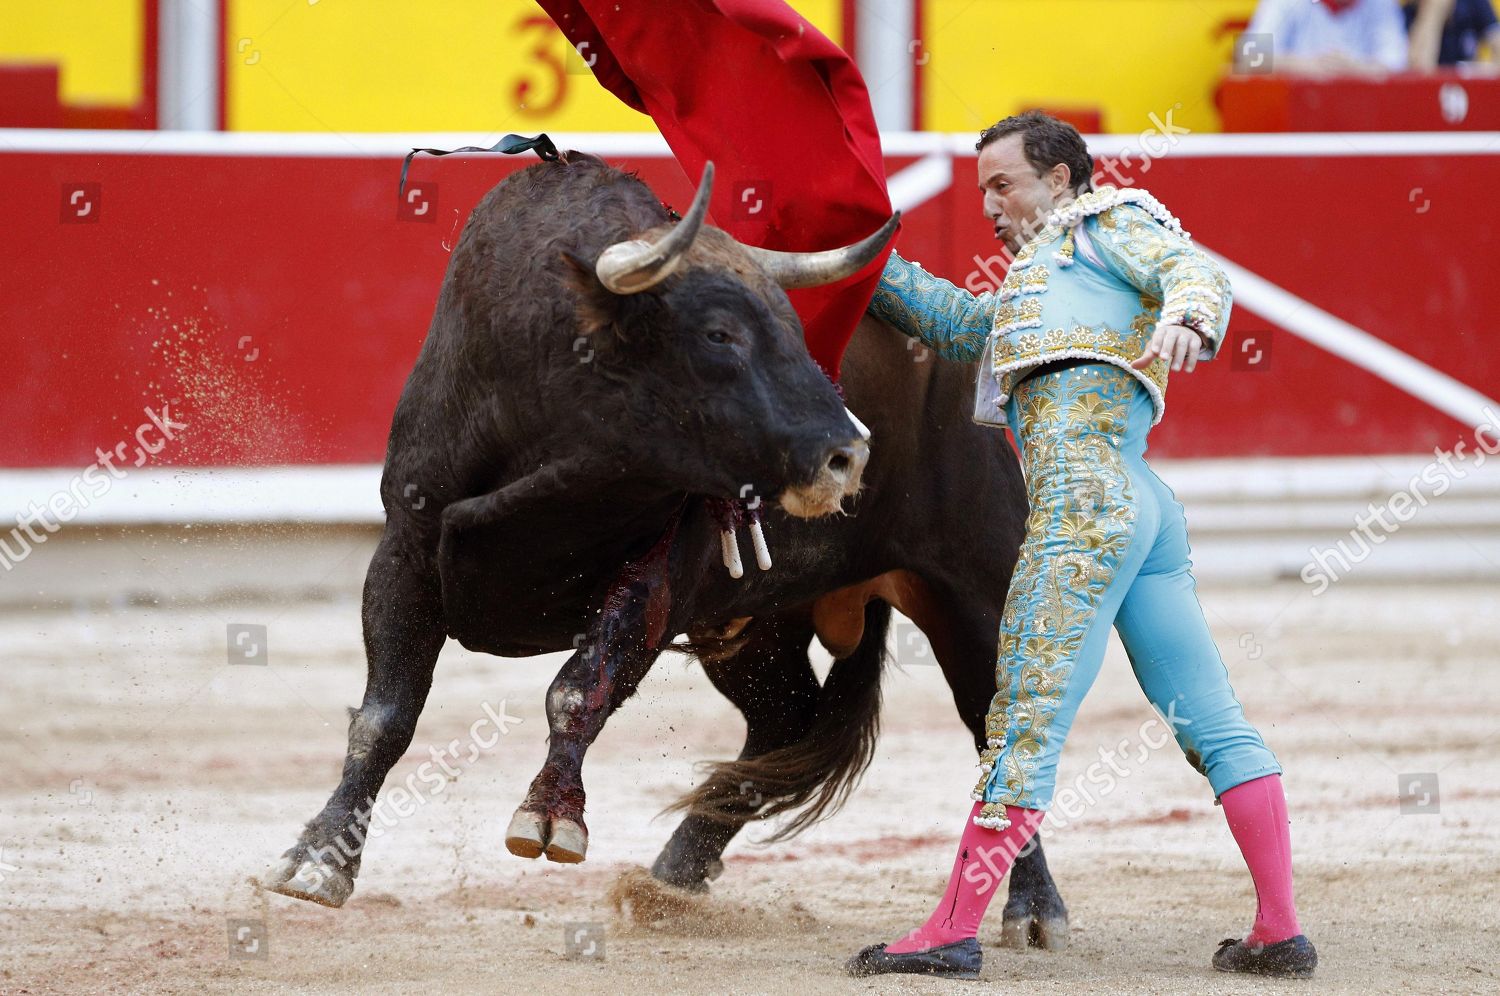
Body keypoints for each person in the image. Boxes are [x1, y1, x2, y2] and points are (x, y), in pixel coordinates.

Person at [843, 111, 1317, 980]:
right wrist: (865, 261)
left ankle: (950, 931)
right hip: (1138, 507)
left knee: (1022, 721)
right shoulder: (1042, 280)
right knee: (1210, 718)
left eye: (1003, 182)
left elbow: (1192, 271)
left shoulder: (1107, 224)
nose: (989, 202)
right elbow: (960, 326)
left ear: (1060, 179)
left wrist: (1190, 321)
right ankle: (1278, 932)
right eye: (983, 186)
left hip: (1082, 505)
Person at [1238, 0, 1409, 75]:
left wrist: (1355, 69)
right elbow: (1247, 56)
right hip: (1293, 119)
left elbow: (1398, 65)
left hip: (1361, 118)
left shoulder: (1382, 3)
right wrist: (1304, 66)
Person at [1405, 0, 1500, 67]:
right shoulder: (1409, 11)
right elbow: (1420, 67)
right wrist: (1434, 12)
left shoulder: (1472, 3)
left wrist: (1483, 71)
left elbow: (1496, 41)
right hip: (1431, 89)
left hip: (1467, 84)